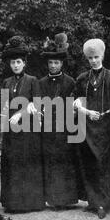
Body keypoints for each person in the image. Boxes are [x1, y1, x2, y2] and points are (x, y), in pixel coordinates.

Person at [72, 38, 110, 219]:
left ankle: (103, 203)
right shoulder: (82, 78)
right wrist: (86, 112)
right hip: (86, 125)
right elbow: (75, 102)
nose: (93, 60)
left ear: (102, 56)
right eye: (90, 58)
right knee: (88, 164)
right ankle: (92, 202)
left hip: (102, 127)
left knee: (101, 164)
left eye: (96, 57)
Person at [0, 35, 45, 212]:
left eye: (18, 62)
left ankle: (30, 202)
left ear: (24, 63)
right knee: (13, 164)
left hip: (28, 129)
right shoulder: (6, 82)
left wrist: (20, 113)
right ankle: (13, 203)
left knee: (27, 163)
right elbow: (3, 105)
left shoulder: (33, 80)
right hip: (12, 131)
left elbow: (38, 103)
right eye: (13, 63)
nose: (15, 65)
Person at [38, 33, 79, 209]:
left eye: (56, 63)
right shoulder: (41, 82)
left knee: (65, 162)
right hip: (47, 128)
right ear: (47, 64)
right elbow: (38, 104)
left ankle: (66, 199)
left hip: (64, 127)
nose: (53, 66)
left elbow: (74, 106)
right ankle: (52, 198)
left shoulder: (70, 82)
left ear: (61, 63)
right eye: (50, 63)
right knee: (50, 162)